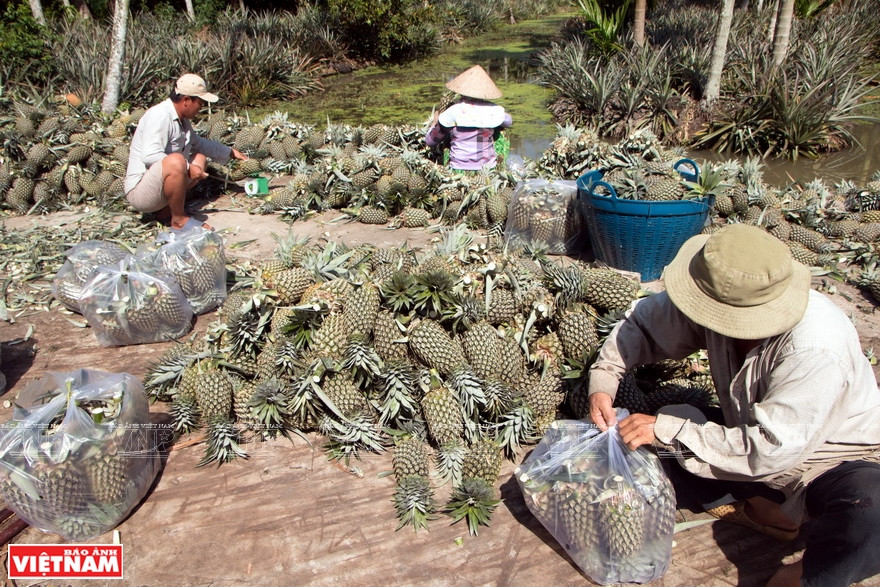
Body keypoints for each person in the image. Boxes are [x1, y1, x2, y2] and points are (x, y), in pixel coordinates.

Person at [587, 224, 880, 587]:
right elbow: (644, 324)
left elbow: (771, 449)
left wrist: (666, 431)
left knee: (871, 514)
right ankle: (770, 510)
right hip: (753, 438)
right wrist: (605, 377)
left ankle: (806, 574)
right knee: (666, 429)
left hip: (833, 458)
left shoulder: (816, 348)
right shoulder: (721, 297)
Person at [124, 73, 248, 232]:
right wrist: (188, 167)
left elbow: (199, 144)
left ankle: (165, 211)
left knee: (199, 159)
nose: (201, 108)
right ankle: (179, 219)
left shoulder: (182, 120)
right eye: (200, 103)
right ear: (186, 100)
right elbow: (149, 155)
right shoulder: (160, 116)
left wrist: (230, 152)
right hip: (140, 192)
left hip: (156, 187)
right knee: (176, 160)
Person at [425, 65, 512, 171]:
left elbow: (430, 142)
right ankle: (499, 166)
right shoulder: (493, 110)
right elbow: (508, 121)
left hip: (458, 169)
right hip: (487, 170)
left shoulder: (453, 111)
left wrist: (435, 122)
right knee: (500, 129)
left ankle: (450, 164)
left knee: (446, 130)